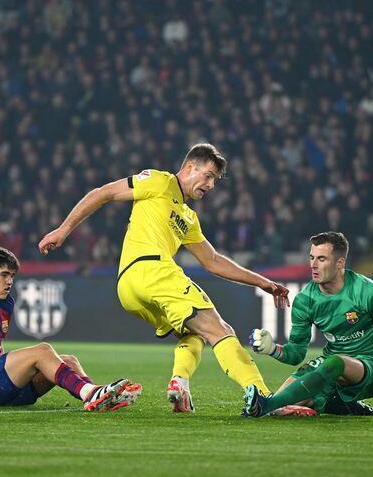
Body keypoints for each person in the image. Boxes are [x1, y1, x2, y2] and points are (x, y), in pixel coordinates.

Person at [38, 143, 289, 415]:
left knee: (193, 333)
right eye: (208, 176)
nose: (211, 185)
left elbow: (212, 261)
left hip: (129, 287)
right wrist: (63, 230)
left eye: (214, 180)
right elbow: (104, 193)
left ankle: (179, 384)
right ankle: (265, 398)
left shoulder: (188, 218)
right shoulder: (159, 181)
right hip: (153, 271)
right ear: (190, 167)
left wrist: (262, 282)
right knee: (221, 330)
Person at [0, 246, 142, 411]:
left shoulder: (6, 303)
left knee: (69, 361)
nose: (10, 281)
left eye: (12, 276)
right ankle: (91, 394)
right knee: (42, 351)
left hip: (1, 387)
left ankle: (99, 396)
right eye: (4, 274)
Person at [249, 231, 373, 417]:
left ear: (340, 263)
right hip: (331, 364)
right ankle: (340, 406)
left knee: (334, 362)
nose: (313, 265)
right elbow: (296, 353)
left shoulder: (369, 292)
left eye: (321, 259)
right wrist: (272, 349)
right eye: (311, 258)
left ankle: (265, 405)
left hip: (372, 368)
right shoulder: (305, 300)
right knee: (286, 400)